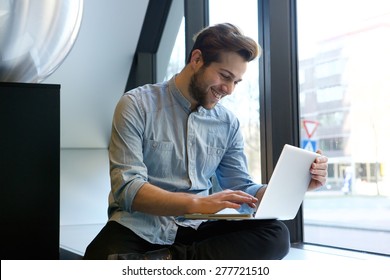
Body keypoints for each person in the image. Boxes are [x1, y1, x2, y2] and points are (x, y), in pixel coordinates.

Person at [83, 23, 328, 260]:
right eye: (225, 76)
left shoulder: (228, 123)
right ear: (197, 59)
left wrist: (295, 185)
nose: (230, 89)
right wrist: (198, 202)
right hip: (139, 227)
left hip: (197, 229)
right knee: (98, 259)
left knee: (276, 235)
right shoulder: (136, 105)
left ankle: (166, 260)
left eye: (236, 82)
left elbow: (241, 186)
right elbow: (129, 189)